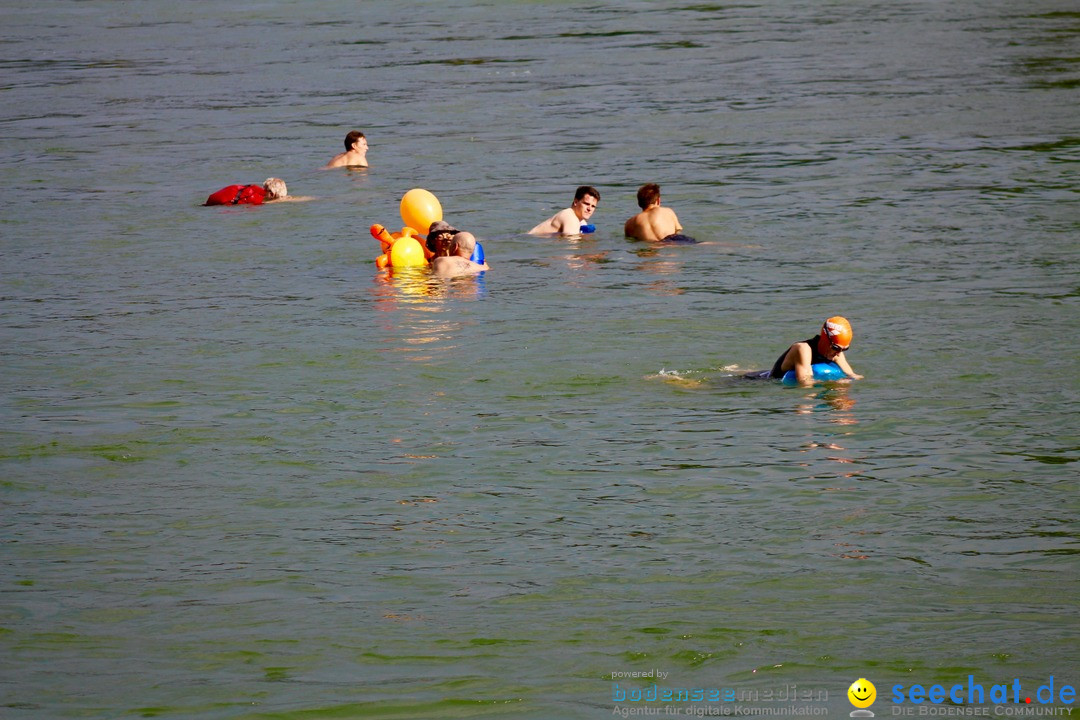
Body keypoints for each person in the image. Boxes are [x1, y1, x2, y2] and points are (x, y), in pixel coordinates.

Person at [756, 316, 863, 384]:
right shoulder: (803, 349)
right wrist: (833, 382)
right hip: (762, 381)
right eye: (836, 348)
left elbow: (853, 375)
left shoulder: (836, 353)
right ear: (825, 340)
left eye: (845, 349)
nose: (839, 353)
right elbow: (804, 383)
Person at [623, 183, 696, 243]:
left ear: (639, 203)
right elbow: (678, 230)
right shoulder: (668, 211)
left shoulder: (629, 223)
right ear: (658, 200)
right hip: (674, 240)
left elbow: (631, 241)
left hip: (652, 245)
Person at [528, 186, 600, 236]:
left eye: (593, 206)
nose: (589, 209)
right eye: (586, 204)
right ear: (576, 202)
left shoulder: (581, 221)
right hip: (529, 240)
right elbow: (571, 250)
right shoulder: (570, 218)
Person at [204, 177, 289, 206]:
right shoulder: (258, 200)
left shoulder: (253, 188)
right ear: (272, 194)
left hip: (213, 199)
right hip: (217, 204)